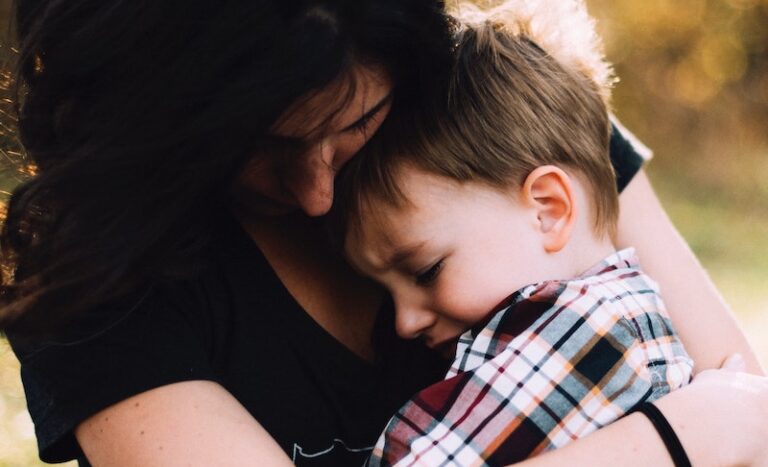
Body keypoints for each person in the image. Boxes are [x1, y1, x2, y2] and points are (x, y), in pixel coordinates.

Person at [0, 1, 765, 466]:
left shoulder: (505, 124)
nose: (316, 195)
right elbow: (736, 416)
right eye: (255, 148)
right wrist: (683, 433)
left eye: (355, 125)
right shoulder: (95, 273)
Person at [334, 4, 693, 464]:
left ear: (548, 210)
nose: (404, 322)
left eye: (426, 271)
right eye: (385, 291)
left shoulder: (588, 331)